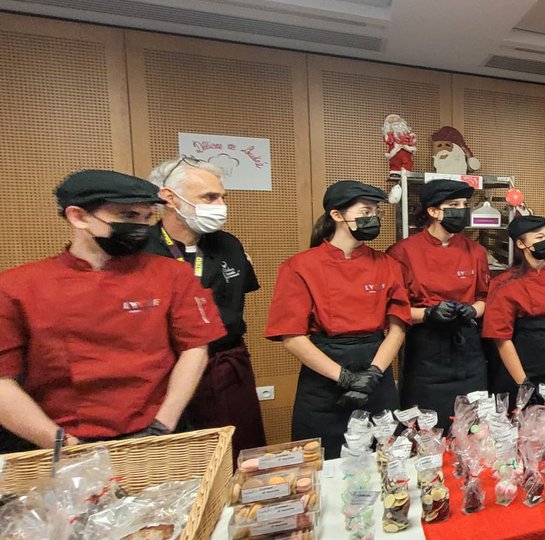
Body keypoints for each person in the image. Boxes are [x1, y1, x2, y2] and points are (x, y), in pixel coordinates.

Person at [0, 170, 223, 451]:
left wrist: (161, 426)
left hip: (156, 431)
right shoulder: (16, 286)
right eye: (128, 217)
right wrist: (64, 445)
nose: (141, 226)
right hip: (54, 441)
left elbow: (195, 349)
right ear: (78, 216)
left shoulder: (171, 275)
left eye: (146, 217)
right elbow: (2, 382)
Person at [266, 180, 409, 458]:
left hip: (376, 373)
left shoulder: (387, 265)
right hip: (324, 379)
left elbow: (397, 328)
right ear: (336, 215)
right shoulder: (299, 266)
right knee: (325, 460)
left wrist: (374, 374)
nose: (373, 219)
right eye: (365, 212)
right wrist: (343, 377)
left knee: (386, 456)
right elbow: (292, 336)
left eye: (376, 212)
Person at [145, 157, 267, 454]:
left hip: (226, 364)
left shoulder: (228, 245)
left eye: (222, 197)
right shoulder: (142, 251)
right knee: (184, 457)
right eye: (210, 197)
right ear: (170, 198)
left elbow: (238, 295)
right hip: (166, 372)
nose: (220, 205)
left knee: (242, 452)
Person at [386, 180, 489, 428]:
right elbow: (394, 310)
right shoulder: (403, 252)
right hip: (427, 353)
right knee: (427, 428)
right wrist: (428, 314)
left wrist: (472, 310)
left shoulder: (476, 251)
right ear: (433, 211)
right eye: (453, 205)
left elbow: (484, 298)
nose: (462, 210)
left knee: (472, 427)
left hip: (468, 350)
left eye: (465, 205)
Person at [483, 216, 545, 401]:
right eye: (539, 238)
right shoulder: (504, 284)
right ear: (521, 244)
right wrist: (523, 383)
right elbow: (501, 339)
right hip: (521, 370)